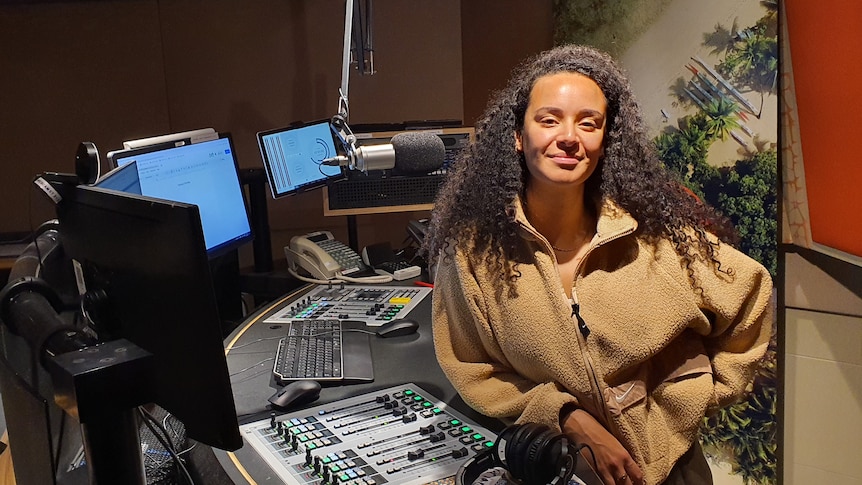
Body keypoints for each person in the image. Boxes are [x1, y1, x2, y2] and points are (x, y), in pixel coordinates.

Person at [424, 44, 773, 485]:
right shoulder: (473, 253)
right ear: (518, 134)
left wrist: (694, 399)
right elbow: (474, 368)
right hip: (554, 467)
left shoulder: (656, 238)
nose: (569, 136)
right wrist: (566, 416)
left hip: (671, 471)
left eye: (589, 123)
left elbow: (750, 292)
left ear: (606, 140)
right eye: (548, 119)